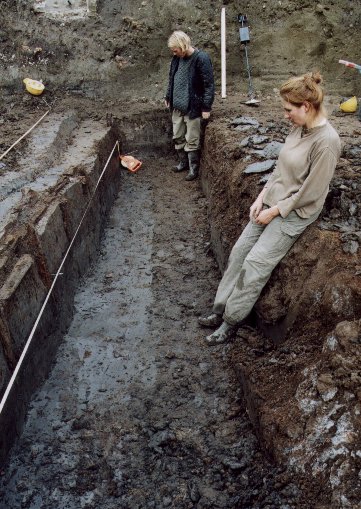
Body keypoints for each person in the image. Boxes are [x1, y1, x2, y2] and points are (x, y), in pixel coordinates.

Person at [199, 71, 341, 345]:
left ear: (306, 107)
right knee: (240, 251)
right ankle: (219, 310)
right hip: (273, 199)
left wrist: (275, 211)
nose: (285, 115)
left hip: (296, 212)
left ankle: (231, 321)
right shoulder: (299, 127)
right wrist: (261, 197)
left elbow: (310, 192)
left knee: (256, 263)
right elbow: (280, 167)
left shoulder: (327, 143)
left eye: (289, 110)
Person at [165, 30, 215, 181]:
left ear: (183, 45)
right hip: (177, 106)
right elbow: (172, 78)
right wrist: (168, 95)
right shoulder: (176, 59)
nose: (173, 52)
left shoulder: (201, 58)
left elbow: (209, 84)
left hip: (193, 107)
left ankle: (194, 169)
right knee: (178, 136)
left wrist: (206, 107)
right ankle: (183, 163)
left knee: (192, 139)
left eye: (175, 50)